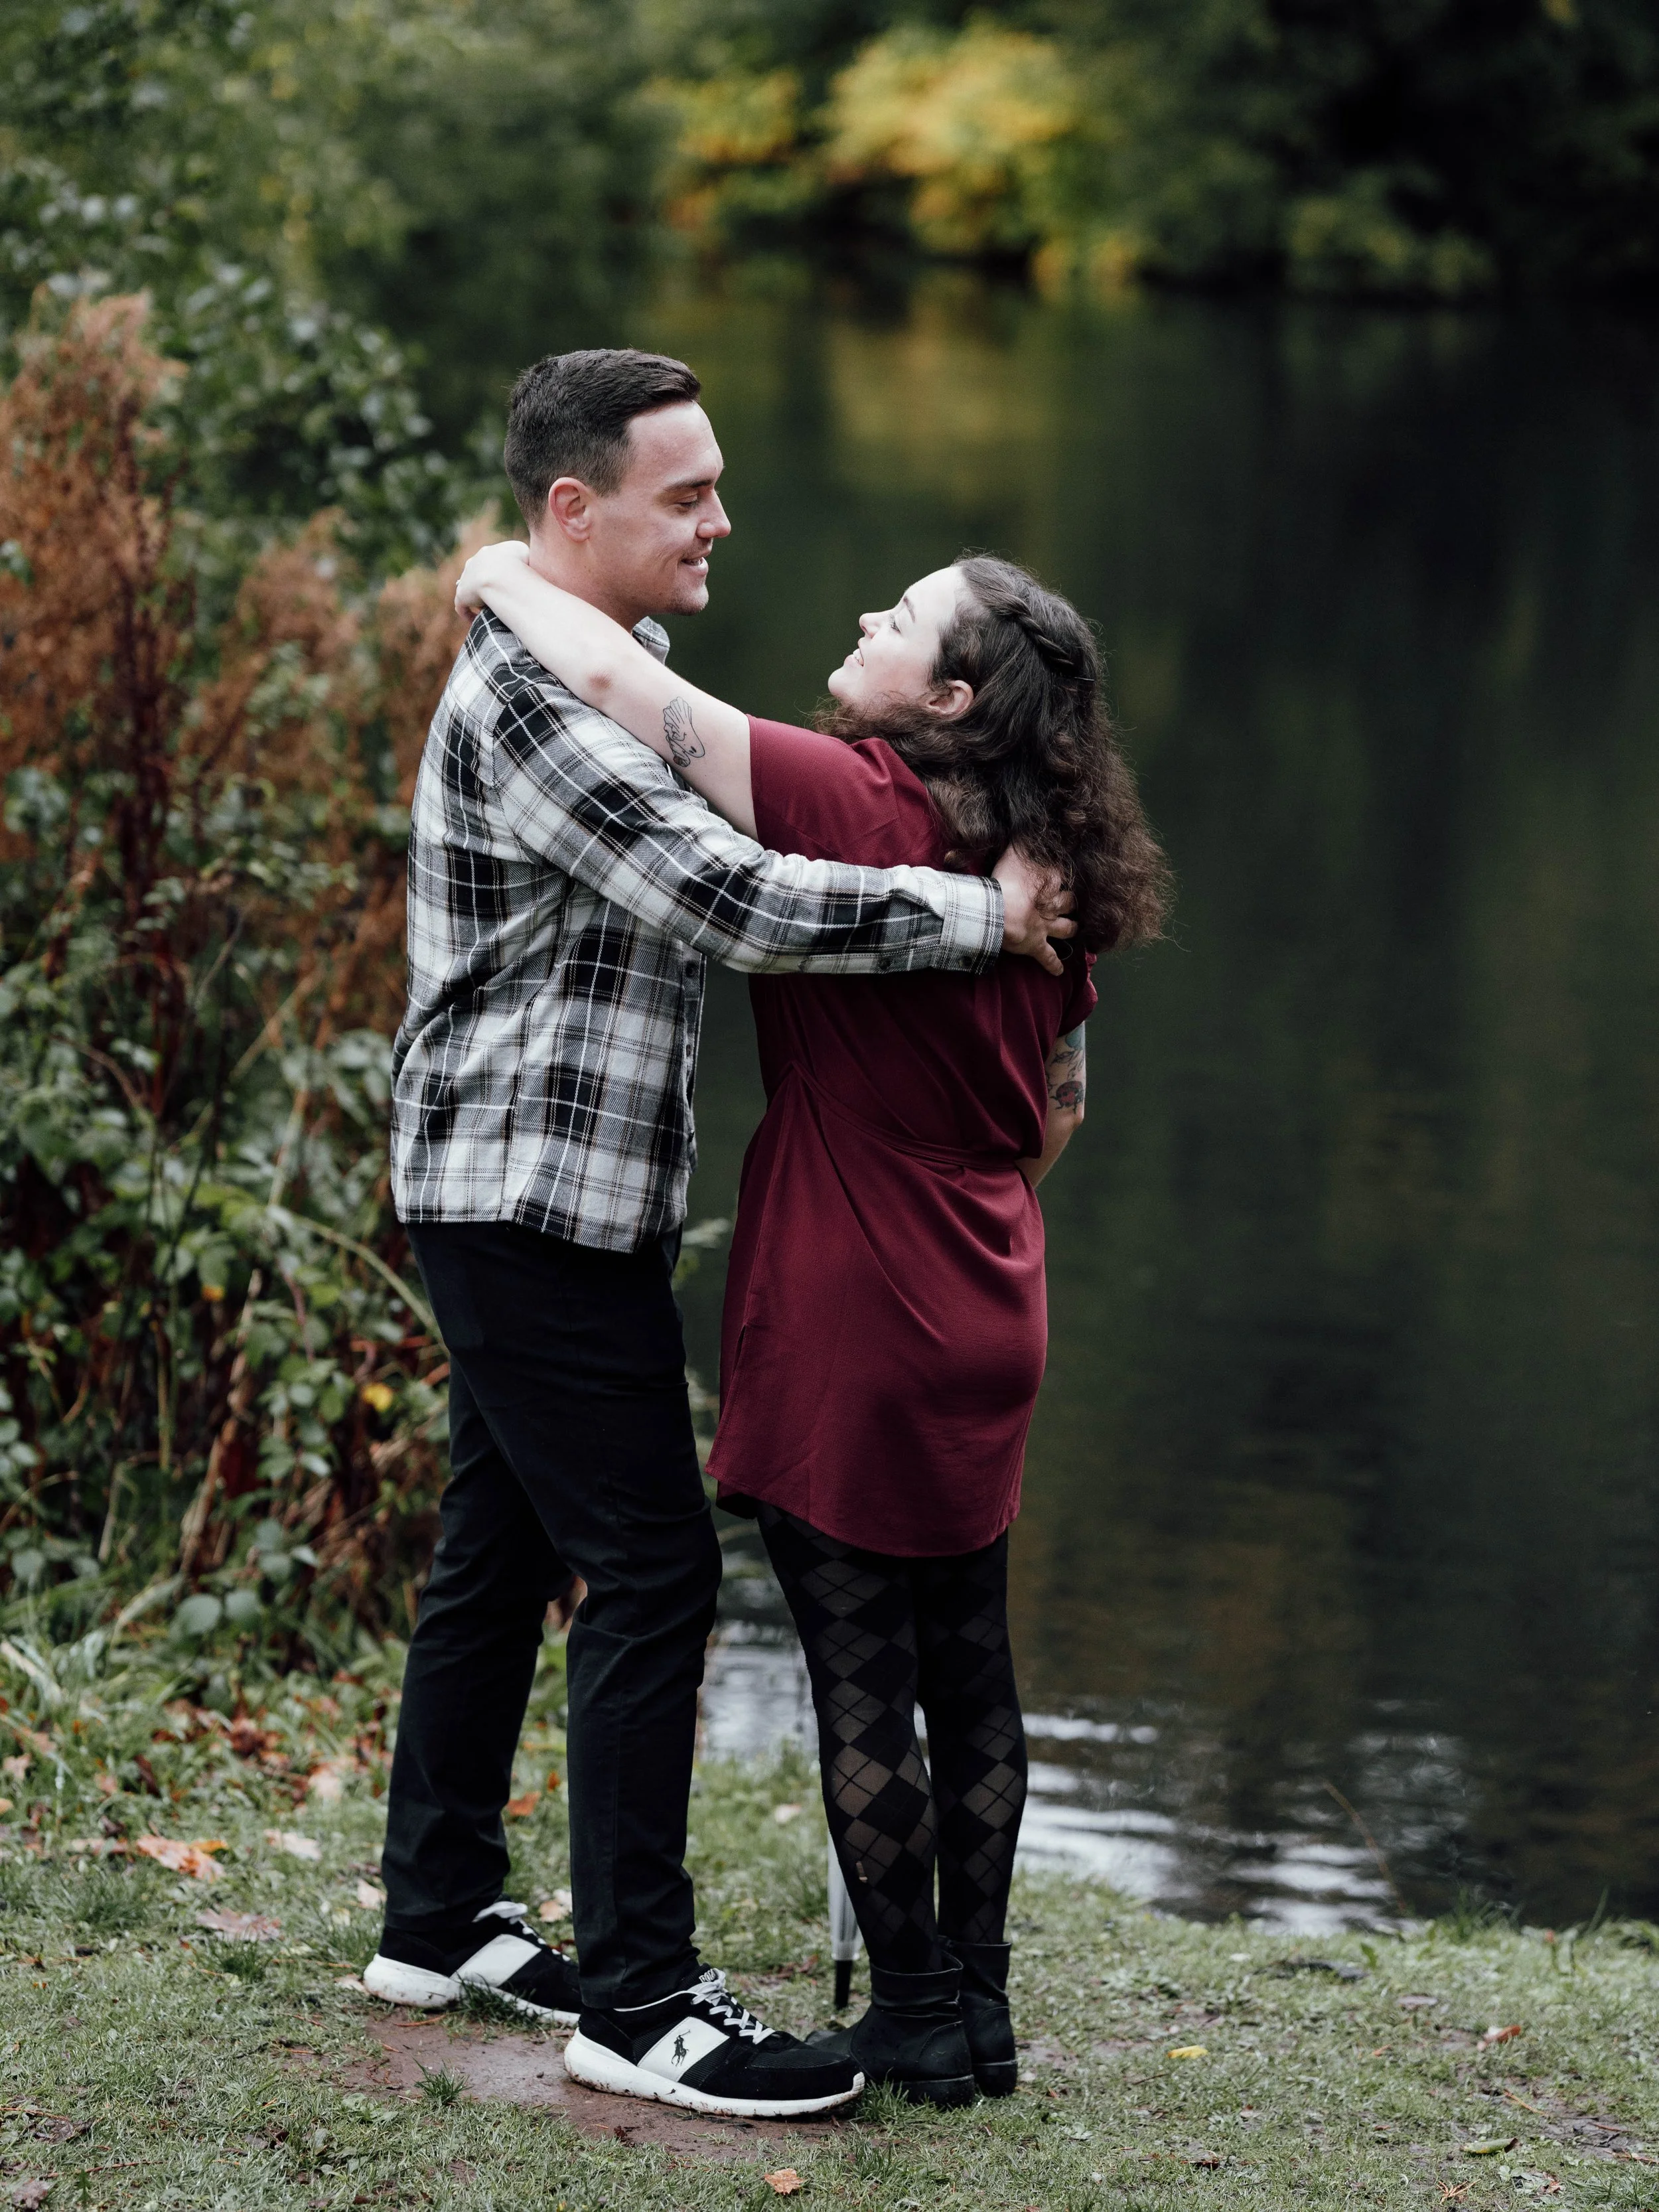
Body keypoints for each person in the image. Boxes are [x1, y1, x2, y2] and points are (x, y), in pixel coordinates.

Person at [367, 346, 1076, 2123]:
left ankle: (437, 1911)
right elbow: (729, 901)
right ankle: (640, 1996)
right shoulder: (532, 709)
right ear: (571, 511)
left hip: (570, 1190)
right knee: (656, 1567)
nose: (721, 520)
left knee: (497, 1542)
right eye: (685, 494)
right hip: (518, 1190)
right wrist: (968, 909)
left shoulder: (621, 668)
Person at [453, 535, 1169, 2106]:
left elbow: (616, 686)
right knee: (968, 1661)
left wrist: (500, 570)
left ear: (952, 698)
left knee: (861, 1672)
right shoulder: (1055, 858)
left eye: (899, 619)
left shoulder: (857, 798)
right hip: (990, 1281)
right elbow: (1059, 1109)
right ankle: (976, 2013)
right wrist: (958, 1172)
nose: (864, 615)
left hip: (853, 1287)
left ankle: (908, 2009)